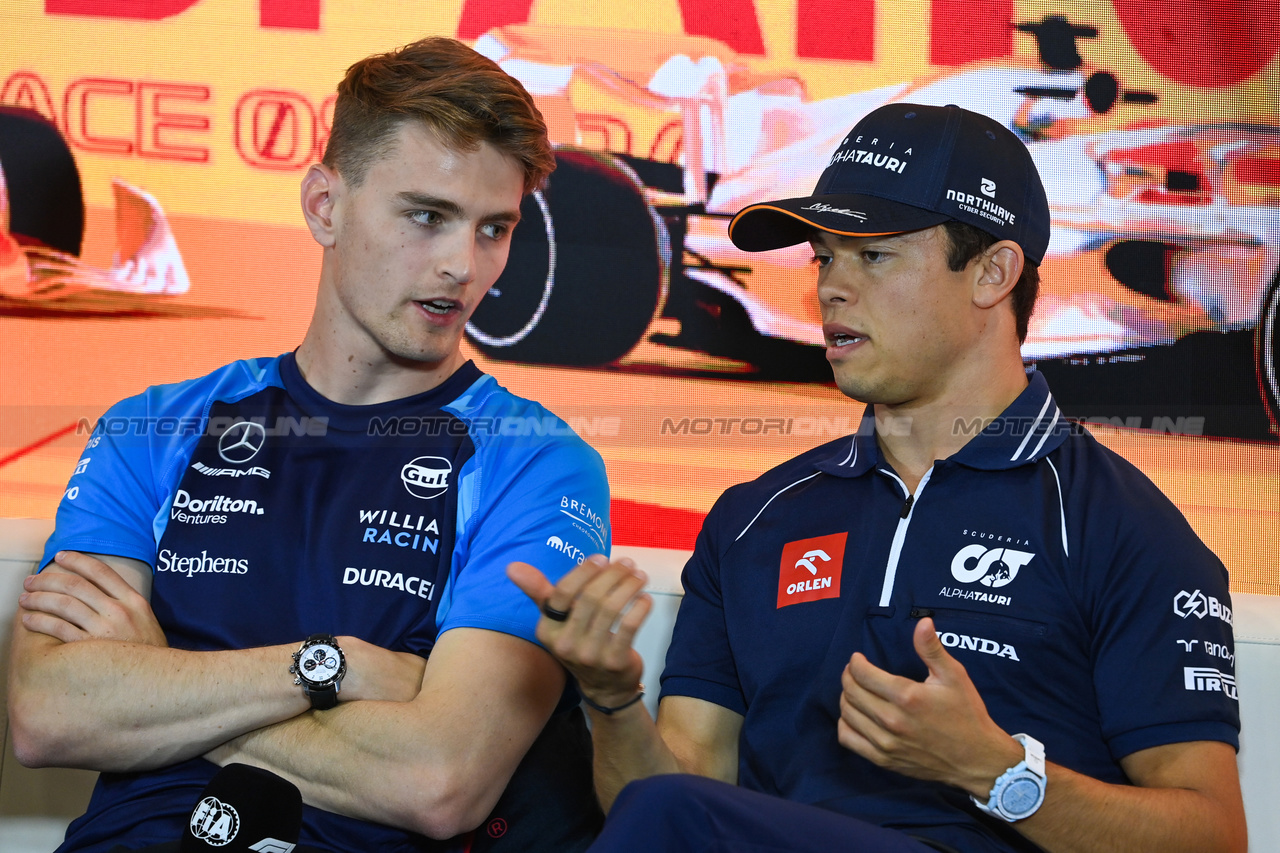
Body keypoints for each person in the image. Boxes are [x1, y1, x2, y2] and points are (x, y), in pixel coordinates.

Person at [509, 102, 1247, 852]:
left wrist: (997, 772)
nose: (830, 287)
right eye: (824, 256)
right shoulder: (752, 520)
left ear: (993, 271)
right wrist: (609, 698)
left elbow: (1213, 837)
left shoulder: (1118, 525)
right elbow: (671, 797)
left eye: (873, 255)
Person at [10, 36, 608, 853]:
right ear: (325, 206)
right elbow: (48, 712)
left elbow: (438, 781)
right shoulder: (153, 425)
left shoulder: (537, 462)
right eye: (427, 216)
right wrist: (330, 665)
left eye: (493, 229)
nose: (462, 267)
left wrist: (159, 675)